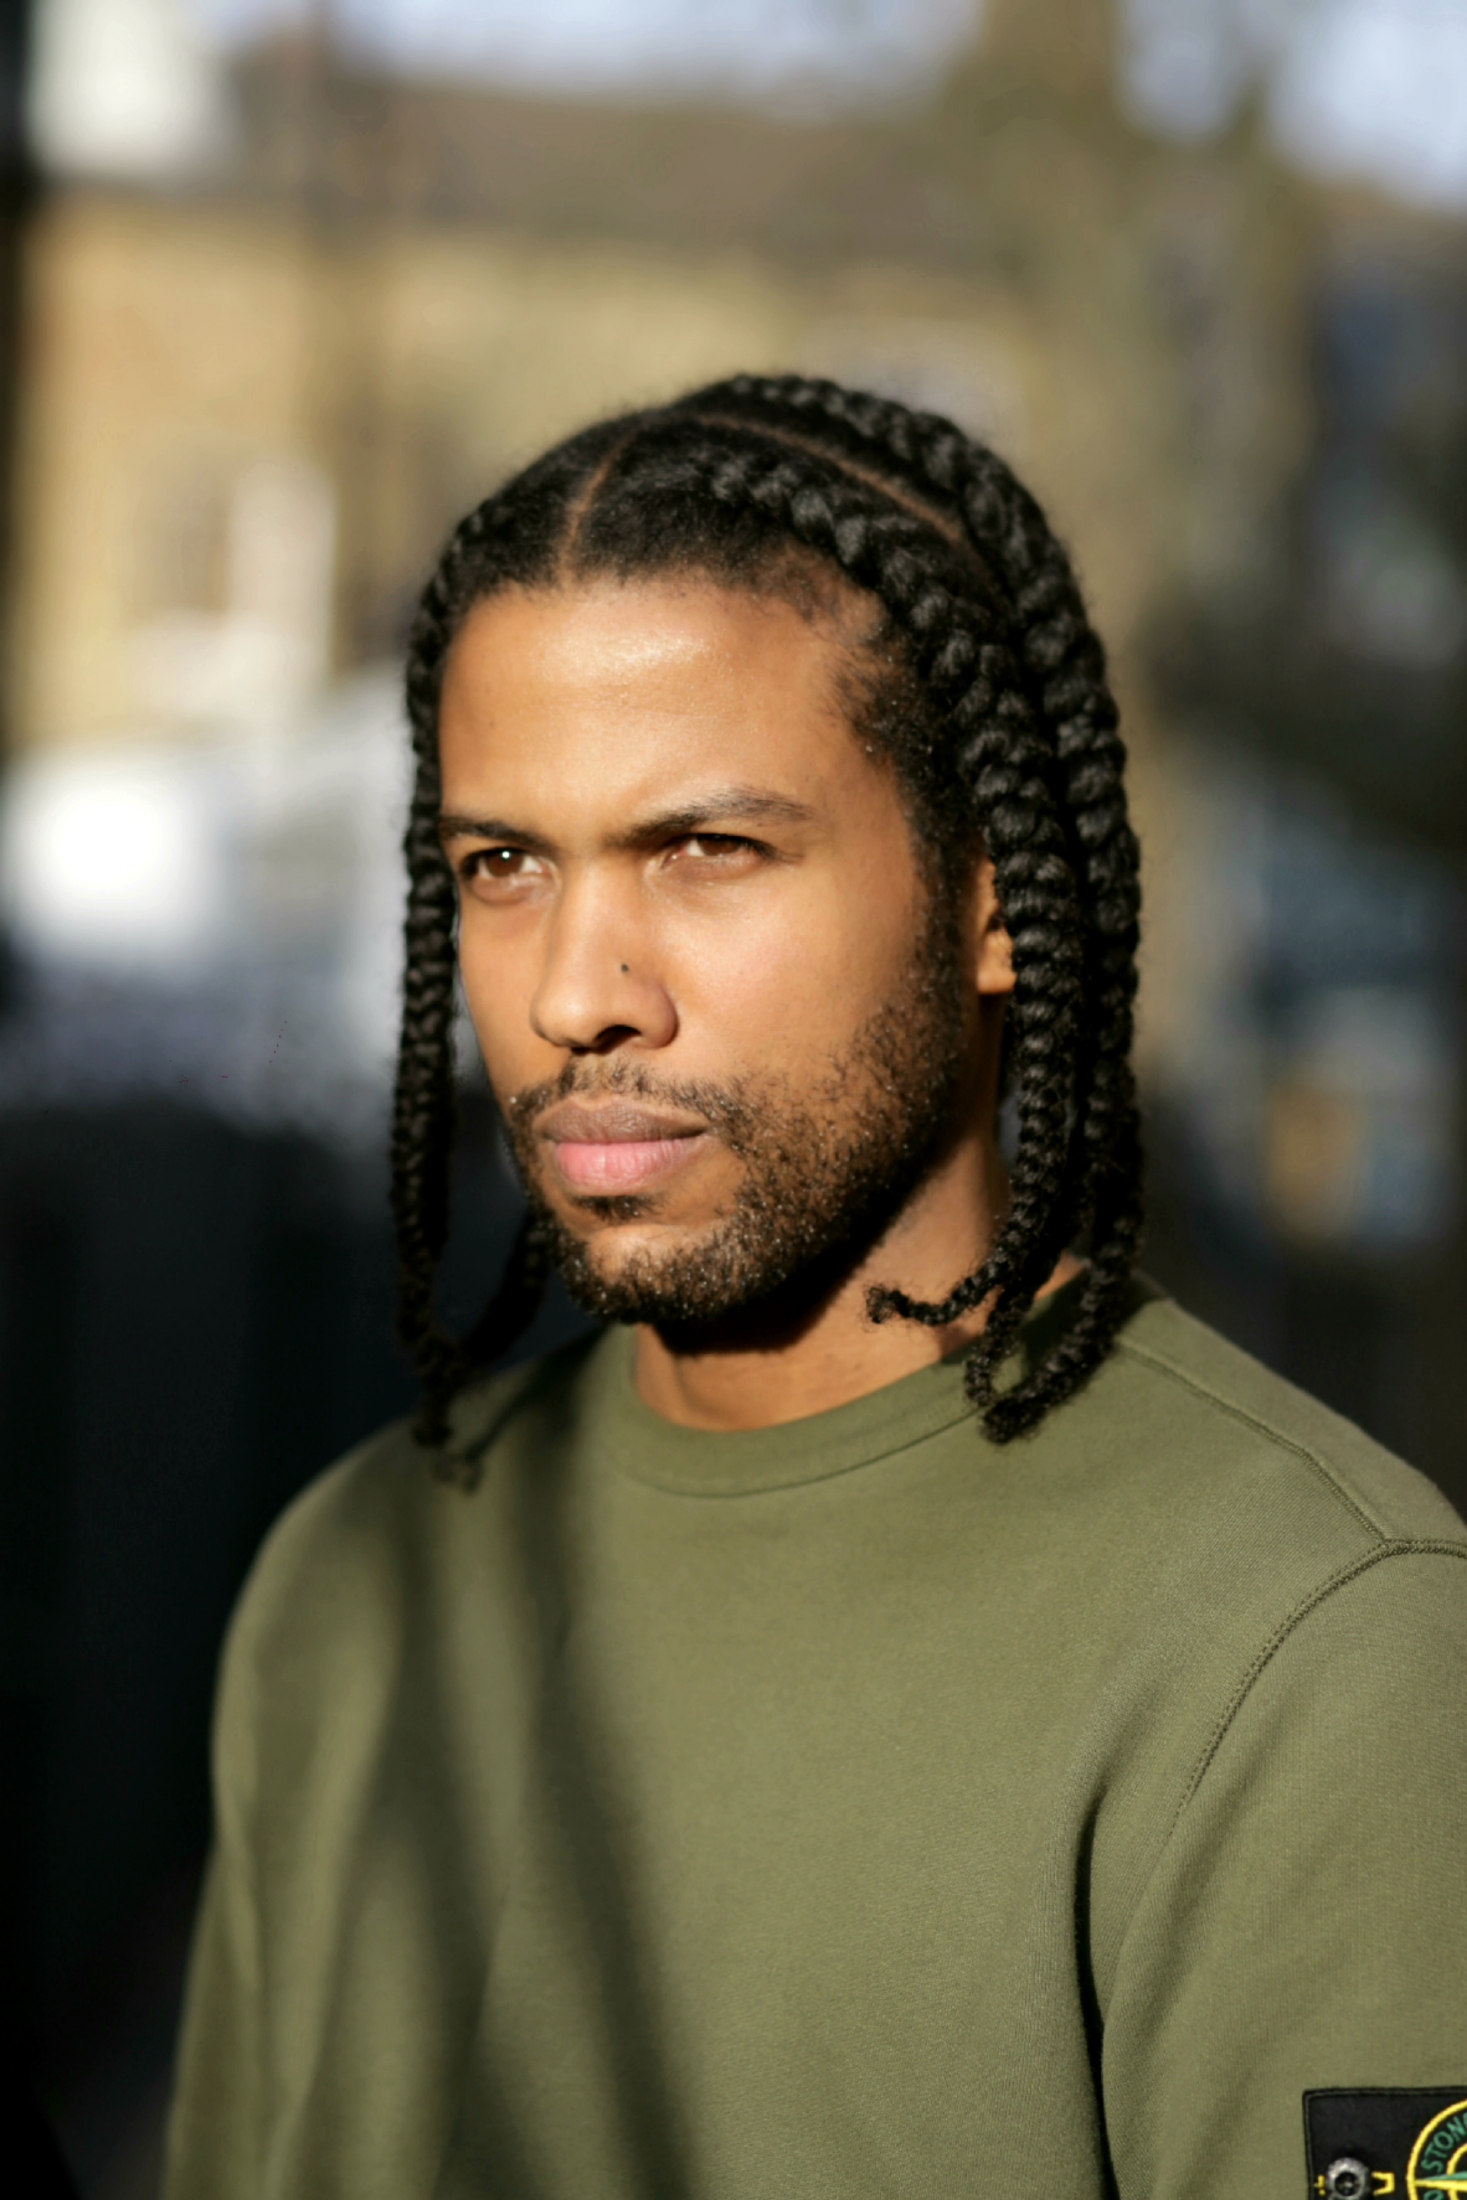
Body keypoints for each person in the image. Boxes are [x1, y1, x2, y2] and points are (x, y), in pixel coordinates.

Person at [163, 376, 1467, 2200]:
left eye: (707, 851)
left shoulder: (1312, 1653)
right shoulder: (351, 1584)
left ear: (995, 896)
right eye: (505, 865)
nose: (574, 993)